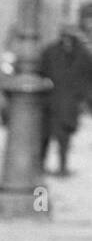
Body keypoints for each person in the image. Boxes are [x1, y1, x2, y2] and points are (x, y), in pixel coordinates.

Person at [38, 24, 92, 176]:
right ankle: (40, 165)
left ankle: (62, 166)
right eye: (65, 37)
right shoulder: (50, 51)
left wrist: (83, 96)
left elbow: (89, 77)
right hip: (50, 101)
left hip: (69, 102)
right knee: (45, 136)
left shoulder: (83, 54)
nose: (67, 40)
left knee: (64, 137)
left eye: (70, 37)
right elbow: (41, 71)